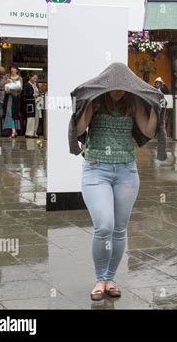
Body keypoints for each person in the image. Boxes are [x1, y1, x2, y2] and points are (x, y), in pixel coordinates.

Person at [70, 63, 166, 301]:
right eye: (115, 87)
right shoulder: (97, 101)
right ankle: (100, 278)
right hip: (95, 170)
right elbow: (80, 128)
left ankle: (110, 279)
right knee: (104, 225)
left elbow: (148, 130)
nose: (119, 91)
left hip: (126, 171)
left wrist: (156, 108)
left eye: (124, 88)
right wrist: (85, 106)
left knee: (120, 230)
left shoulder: (133, 103)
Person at [2, 65, 23, 138]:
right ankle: (14, 131)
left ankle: (14, 131)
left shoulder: (20, 78)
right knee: (9, 114)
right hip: (8, 98)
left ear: (17, 70)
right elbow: (0, 86)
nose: (12, 69)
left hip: (15, 98)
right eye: (11, 68)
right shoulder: (7, 76)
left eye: (14, 68)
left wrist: (12, 92)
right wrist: (5, 82)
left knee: (14, 114)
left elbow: (20, 90)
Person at [24, 73, 41, 138]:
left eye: (36, 78)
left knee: (36, 118)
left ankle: (34, 132)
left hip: (36, 103)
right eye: (34, 78)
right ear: (30, 77)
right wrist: (33, 95)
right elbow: (25, 95)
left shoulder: (35, 85)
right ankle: (29, 133)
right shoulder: (27, 85)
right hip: (30, 103)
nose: (35, 79)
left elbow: (38, 92)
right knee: (31, 118)